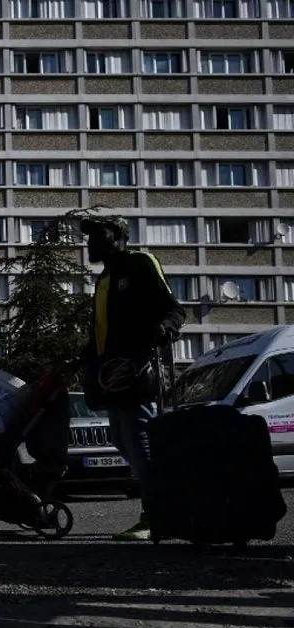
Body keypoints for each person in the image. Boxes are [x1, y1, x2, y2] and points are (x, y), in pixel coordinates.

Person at [80, 216, 186, 542]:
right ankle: (165, 503)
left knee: (140, 442)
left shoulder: (139, 263)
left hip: (138, 370)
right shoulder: (104, 279)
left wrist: (163, 329)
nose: (91, 242)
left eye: (99, 235)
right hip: (112, 377)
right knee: (121, 439)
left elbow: (173, 309)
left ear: (120, 236)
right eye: (89, 237)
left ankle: (157, 516)